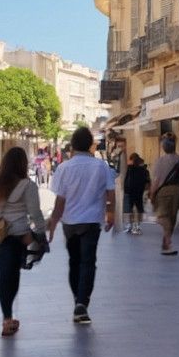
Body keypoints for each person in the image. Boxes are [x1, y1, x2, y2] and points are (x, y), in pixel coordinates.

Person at [46, 127, 116, 324]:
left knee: (74, 261)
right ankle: (82, 303)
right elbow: (111, 193)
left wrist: (53, 223)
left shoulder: (64, 168)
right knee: (88, 262)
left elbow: (60, 200)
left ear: (73, 145)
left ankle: (78, 299)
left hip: (70, 222)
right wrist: (111, 215)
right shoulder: (101, 166)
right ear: (90, 145)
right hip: (92, 221)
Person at [0, 147, 47, 337]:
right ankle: (7, 319)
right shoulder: (28, 185)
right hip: (18, 234)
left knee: (4, 275)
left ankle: (7, 316)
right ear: (22, 164)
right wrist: (41, 233)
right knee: (13, 276)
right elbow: (35, 213)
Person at [148, 134, 179, 257]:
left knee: (163, 216)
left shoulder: (160, 161)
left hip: (163, 191)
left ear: (163, 147)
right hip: (177, 190)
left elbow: (156, 180)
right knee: (172, 216)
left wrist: (152, 194)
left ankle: (168, 241)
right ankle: (166, 243)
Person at [122, 153, 150, 235]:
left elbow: (126, 180)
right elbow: (147, 181)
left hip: (130, 191)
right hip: (139, 191)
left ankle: (130, 226)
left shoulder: (129, 169)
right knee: (139, 208)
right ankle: (137, 226)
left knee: (129, 209)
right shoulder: (144, 170)